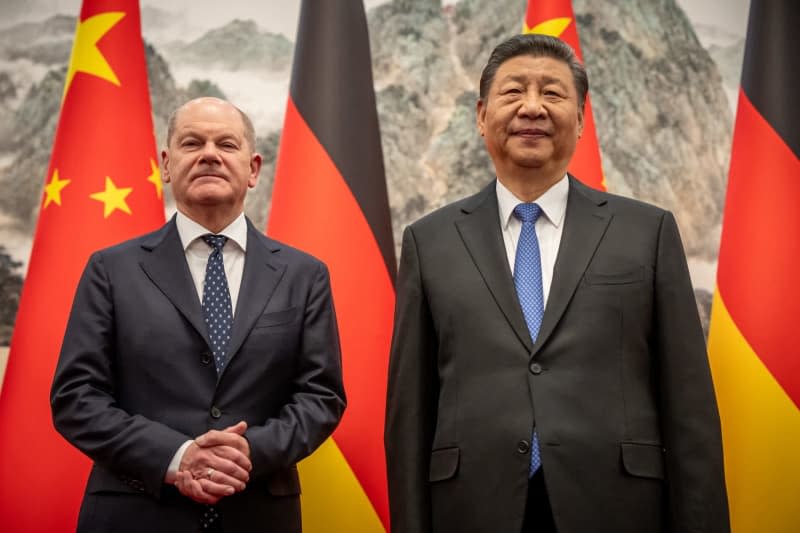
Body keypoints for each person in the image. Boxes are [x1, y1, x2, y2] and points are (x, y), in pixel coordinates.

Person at [384, 34, 729, 533]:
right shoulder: (428, 241)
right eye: (513, 92)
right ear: (481, 116)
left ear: (582, 119)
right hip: (474, 508)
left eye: (552, 93)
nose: (532, 107)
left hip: (617, 507)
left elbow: (689, 405)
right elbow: (409, 417)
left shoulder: (647, 231)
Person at [51, 97, 346, 533]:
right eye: (192, 142)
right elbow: (76, 397)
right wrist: (176, 456)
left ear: (254, 169)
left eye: (227, 144)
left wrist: (247, 454)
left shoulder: (305, 275)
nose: (209, 153)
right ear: (167, 165)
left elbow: (321, 396)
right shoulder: (110, 269)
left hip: (258, 513)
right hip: (136, 512)